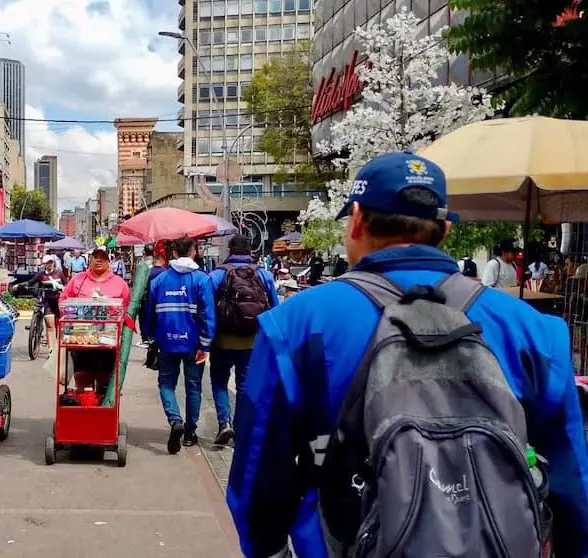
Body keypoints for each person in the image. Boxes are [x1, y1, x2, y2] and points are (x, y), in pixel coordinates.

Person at [226, 152, 588, 558]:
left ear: (357, 218)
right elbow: (573, 483)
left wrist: (267, 548)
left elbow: (258, 472)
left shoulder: (295, 325)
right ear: (445, 230)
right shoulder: (535, 330)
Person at [142, 236, 215, 454]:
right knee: (193, 387)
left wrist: (150, 337)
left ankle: (175, 420)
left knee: (166, 385)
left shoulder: (159, 280)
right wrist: (206, 344)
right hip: (195, 345)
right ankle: (190, 434)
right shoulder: (202, 280)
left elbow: (148, 314)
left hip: (166, 343)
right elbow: (209, 316)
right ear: (193, 252)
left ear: (173, 253)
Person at [208, 234, 278, 445]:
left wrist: (205, 339)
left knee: (219, 382)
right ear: (250, 251)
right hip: (251, 341)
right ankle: (240, 428)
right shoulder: (264, 275)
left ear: (230, 251)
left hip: (221, 340)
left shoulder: (217, 275)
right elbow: (275, 310)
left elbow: (207, 309)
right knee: (244, 385)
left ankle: (224, 423)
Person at [60, 246, 131, 395]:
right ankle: (84, 410)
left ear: (108, 261)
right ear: (90, 260)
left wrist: (111, 310)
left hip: (107, 340)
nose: (99, 260)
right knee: (83, 381)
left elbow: (126, 307)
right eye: (95, 256)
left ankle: (103, 410)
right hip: (80, 338)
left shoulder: (119, 283)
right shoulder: (78, 279)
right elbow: (63, 300)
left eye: (103, 257)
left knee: (105, 381)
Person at [15, 255, 65, 355]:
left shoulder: (59, 273)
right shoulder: (41, 275)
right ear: (44, 264)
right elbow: (30, 282)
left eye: (50, 262)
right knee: (50, 325)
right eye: (47, 263)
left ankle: (59, 346)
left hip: (59, 301)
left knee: (60, 326)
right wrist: (19, 285)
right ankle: (51, 349)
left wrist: (62, 288)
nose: (49, 265)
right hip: (47, 302)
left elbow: (67, 285)